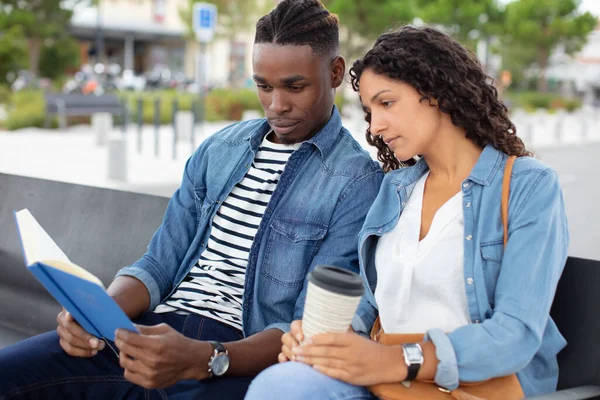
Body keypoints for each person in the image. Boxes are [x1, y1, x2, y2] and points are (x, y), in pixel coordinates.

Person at [0, 1, 383, 399]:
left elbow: (308, 328)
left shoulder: (356, 184)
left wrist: (204, 358)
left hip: (237, 359)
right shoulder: (220, 149)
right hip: (149, 335)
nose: (276, 105)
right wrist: (95, 314)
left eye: (294, 86)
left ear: (335, 72)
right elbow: (158, 264)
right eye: (263, 86)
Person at [245, 26, 569, 400]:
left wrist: (400, 360)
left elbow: (515, 334)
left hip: (471, 387)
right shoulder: (396, 189)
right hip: (388, 381)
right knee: (280, 385)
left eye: (387, 103)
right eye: (369, 112)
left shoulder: (529, 186)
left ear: (437, 91)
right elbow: (372, 303)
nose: (376, 127)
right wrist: (325, 340)